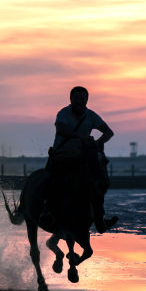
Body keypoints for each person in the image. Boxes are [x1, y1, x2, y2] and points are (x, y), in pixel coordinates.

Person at [41, 86, 118, 233]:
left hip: (83, 156)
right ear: (70, 99)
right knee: (55, 180)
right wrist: (81, 137)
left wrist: (98, 143)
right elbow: (61, 129)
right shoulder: (63, 113)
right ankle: (48, 212)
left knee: (98, 182)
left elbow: (109, 132)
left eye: (82, 98)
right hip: (62, 154)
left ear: (87, 100)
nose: (79, 101)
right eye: (76, 98)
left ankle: (100, 219)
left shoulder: (91, 116)